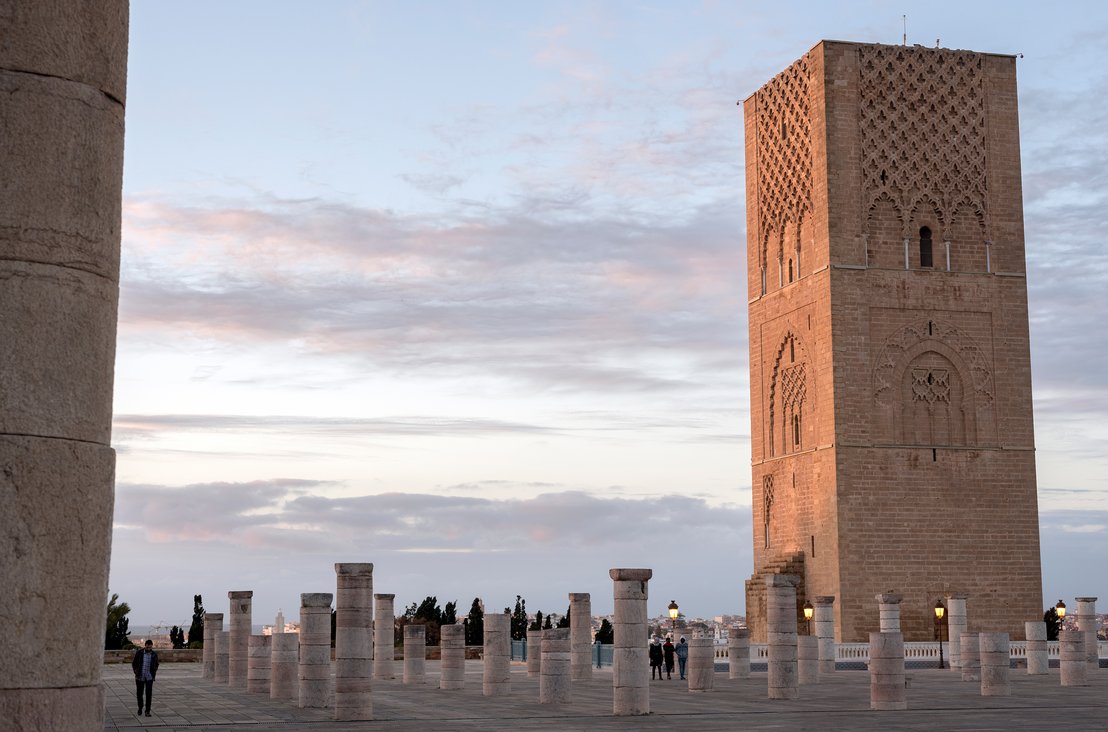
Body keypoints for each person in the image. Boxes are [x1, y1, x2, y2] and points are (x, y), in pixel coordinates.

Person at [131, 639, 159, 717]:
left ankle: (147, 711)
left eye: (150, 648)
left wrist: (154, 672)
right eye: (147, 647)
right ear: (145, 646)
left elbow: (156, 664)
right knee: (139, 694)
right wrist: (136, 672)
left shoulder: (154, 654)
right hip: (140, 677)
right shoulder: (139, 653)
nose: (149, 649)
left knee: (148, 694)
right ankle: (140, 707)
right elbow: (134, 663)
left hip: (149, 678)